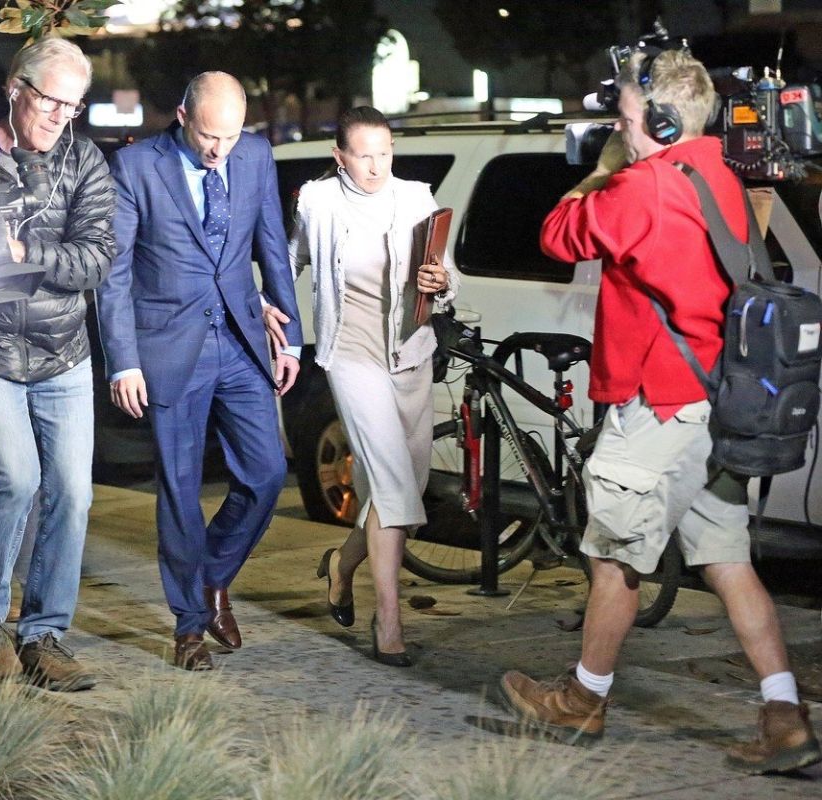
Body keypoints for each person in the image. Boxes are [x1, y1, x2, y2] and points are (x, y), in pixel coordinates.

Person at [497, 49, 821, 774]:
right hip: (718, 403)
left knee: (613, 554)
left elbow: (558, 234)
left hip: (660, 408)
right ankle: (785, 717)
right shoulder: (720, 175)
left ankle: (582, 700)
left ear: (664, 122)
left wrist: (603, 168)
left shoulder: (642, 186)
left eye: (627, 117)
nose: (620, 127)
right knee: (728, 561)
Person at [97, 71, 304, 671]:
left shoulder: (255, 155)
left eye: (231, 137)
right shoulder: (136, 167)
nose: (220, 150)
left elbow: (272, 245)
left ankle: (212, 576)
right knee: (181, 490)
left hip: (241, 339)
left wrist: (290, 337)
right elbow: (114, 275)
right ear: (184, 116)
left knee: (266, 473)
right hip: (169, 346)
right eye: (210, 136)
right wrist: (124, 361)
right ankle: (189, 626)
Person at [0, 38, 115, 689]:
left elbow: (97, 257)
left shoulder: (83, 159)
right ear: (16, 89)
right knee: (16, 478)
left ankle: (44, 634)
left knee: (72, 492)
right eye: (50, 100)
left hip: (62, 351)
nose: (59, 116)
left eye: (72, 106)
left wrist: (26, 254)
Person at [289, 106, 458, 667]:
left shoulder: (415, 197)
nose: (376, 165)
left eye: (384, 153)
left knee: (405, 490)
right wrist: (271, 319)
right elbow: (286, 264)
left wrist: (442, 281)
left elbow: (445, 274)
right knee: (391, 486)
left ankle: (341, 566)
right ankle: (389, 621)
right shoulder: (318, 203)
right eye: (364, 155)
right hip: (351, 356)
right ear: (339, 156)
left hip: (410, 354)